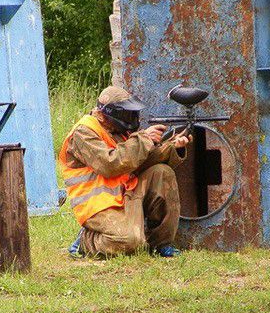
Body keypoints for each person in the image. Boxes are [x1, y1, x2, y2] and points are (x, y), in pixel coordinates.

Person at [58, 86, 192, 258]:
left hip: (125, 193)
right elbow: (110, 164)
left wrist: (173, 147)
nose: (131, 119)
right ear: (108, 113)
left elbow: (138, 163)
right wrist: (144, 139)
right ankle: (86, 240)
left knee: (162, 172)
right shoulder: (83, 132)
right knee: (129, 242)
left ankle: (160, 244)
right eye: (126, 114)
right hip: (99, 205)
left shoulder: (118, 130)